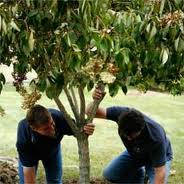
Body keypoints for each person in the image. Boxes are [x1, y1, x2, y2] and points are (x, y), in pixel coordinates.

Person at [86, 88, 173, 184]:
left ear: (141, 129)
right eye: (125, 135)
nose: (128, 138)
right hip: (136, 154)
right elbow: (89, 112)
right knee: (110, 174)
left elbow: (160, 173)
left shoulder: (156, 137)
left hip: (156, 158)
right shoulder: (121, 114)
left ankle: (146, 174)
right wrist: (95, 101)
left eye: (132, 136)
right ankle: (139, 175)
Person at [16, 104, 95, 184]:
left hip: (52, 151)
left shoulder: (59, 117)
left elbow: (81, 133)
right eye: (46, 128)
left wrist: (87, 129)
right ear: (34, 128)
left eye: (51, 123)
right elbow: (29, 177)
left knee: (55, 181)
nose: (52, 129)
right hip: (31, 153)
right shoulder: (24, 137)